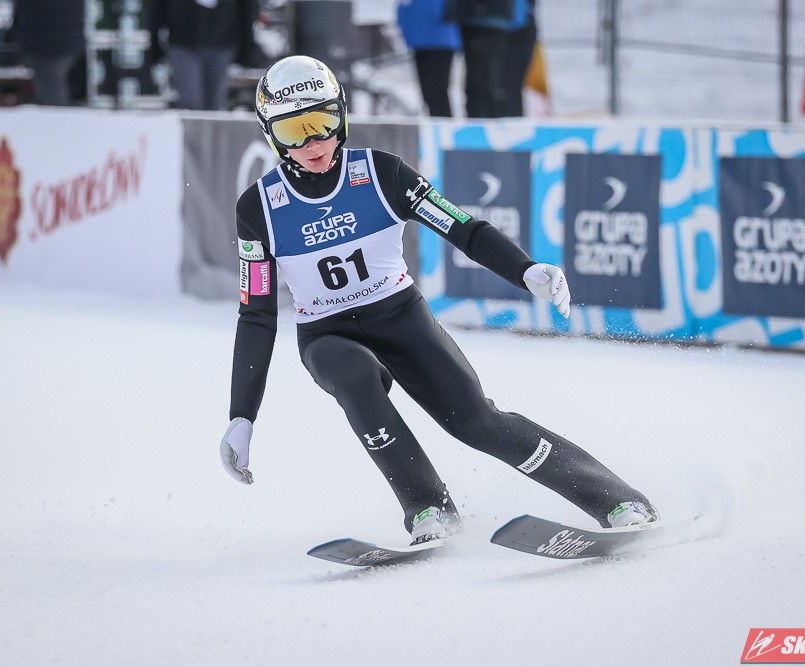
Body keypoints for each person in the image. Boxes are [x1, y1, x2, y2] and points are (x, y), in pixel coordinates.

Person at [220, 55, 658, 545]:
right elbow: (256, 315)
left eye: (321, 123)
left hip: (400, 318)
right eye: (293, 131)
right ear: (271, 136)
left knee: (477, 423)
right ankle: (429, 509)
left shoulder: (382, 173)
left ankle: (618, 500)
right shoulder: (258, 208)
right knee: (352, 372)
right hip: (326, 335)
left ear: (341, 116)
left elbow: (464, 229)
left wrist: (524, 269)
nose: (312, 143)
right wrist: (242, 414)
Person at [146, 0, 258, 111]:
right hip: (183, 42)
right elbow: (157, 6)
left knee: (214, 103)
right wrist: (154, 42)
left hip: (222, 41)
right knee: (190, 101)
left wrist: (247, 46)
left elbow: (247, 7)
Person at [451, 0, 536, 118]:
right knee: (489, 81)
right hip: (494, 19)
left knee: (504, 84)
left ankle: (505, 121)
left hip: (510, 24)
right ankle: (494, 120)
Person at [14, 0, 86, 106]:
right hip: (65, 39)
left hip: (46, 41)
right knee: (51, 87)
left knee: (51, 92)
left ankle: (56, 114)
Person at [396, 0, 461, 117]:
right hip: (421, 38)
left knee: (436, 92)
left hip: (440, 38)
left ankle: (442, 123)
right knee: (430, 93)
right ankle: (439, 122)